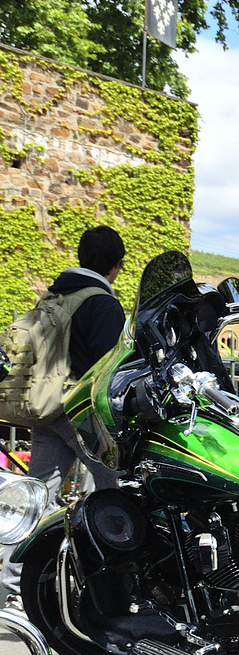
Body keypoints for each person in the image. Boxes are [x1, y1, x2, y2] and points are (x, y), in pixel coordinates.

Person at [1, 226, 126, 603]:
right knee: (115, 495)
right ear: (117, 265)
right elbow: (109, 368)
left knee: (38, 497)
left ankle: (12, 591)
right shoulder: (102, 304)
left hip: (45, 409)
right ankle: (114, 587)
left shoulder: (54, 295)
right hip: (81, 413)